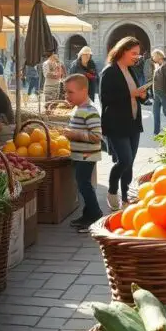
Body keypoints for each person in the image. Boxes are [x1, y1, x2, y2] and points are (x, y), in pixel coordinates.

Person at [99, 36, 147, 210]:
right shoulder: (109, 71)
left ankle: (126, 197)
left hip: (133, 123)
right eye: (134, 53)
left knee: (130, 162)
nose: (136, 57)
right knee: (124, 160)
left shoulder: (130, 70)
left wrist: (143, 95)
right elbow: (105, 99)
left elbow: (135, 95)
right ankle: (112, 190)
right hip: (116, 124)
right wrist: (131, 95)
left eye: (138, 55)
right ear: (123, 51)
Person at [62, 74, 104, 232]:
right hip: (80, 155)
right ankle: (87, 213)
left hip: (87, 156)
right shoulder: (79, 109)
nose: (67, 95)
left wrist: (74, 135)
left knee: (84, 185)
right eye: (65, 92)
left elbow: (96, 136)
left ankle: (95, 215)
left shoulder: (89, 110)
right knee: (82, 184)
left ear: (84, 90)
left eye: (71, 92)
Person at [150, 50, 166, 134]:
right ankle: (156, 132)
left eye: (154, 56)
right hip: (156, 93)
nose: (152, 58)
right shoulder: (158, 65)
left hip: (163, 93)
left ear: (158, 56)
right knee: (155, 112)